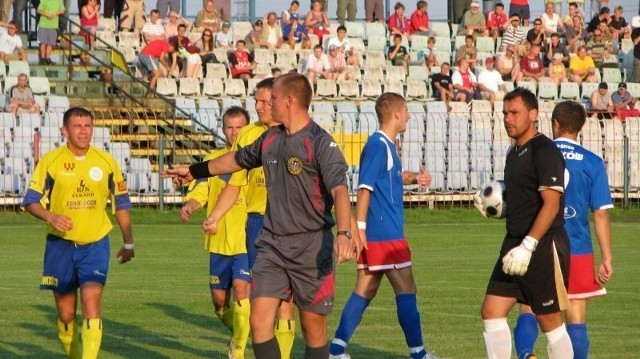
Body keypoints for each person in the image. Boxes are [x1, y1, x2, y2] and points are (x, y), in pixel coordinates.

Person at [162, 73, 355, 359]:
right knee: (258, 321)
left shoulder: (320, 143)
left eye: (272, 98)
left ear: (289, 101)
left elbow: (340, 190)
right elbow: (235, 160)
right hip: (272, 245)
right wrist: (194, 170)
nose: (265, 103)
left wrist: (344, 233)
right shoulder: (270, 139)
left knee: (313, 330)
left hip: (312, 247)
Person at [329, 92, 436, 359]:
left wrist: (414, 178)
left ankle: (336, 349)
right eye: (407, 111)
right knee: (407, 289)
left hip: (379, 233)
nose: (409, 115)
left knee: (366, 289)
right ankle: (419, 353)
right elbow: (364, 189)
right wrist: (360, 230)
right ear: (397, 114)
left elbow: (391, 177)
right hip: (384, 235)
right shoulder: (378, 145)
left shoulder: (387, 146)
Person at [22, 107, 135, 359]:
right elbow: (30, 201)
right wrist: (51, 216)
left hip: (95, 244)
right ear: (65, 130)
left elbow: (122, 203)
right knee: (66, 315)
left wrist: (129, 243)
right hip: (59, 246)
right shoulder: (51, 161)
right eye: (77, 126)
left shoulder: (106, 162)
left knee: (91, 305)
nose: (84, 131)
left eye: (88, 126)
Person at [200, 78, 297, 359]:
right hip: (257, 223)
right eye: (256, 101)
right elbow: (235, 182)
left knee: (285, 301)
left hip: (289, 224)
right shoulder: (248, 135)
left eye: (265, 101)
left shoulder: (297, 133)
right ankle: (243, 348)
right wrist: (215, 214)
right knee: (263, 298)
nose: (259, 106)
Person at [513, 100, 613, 359]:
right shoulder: (592, 162)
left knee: (529, 308)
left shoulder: (535, 152)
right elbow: (600, 214)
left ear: (554, 124)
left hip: (539, 243)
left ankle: (526, 354)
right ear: (580, 127)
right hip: (578, 249)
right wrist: (607, 258)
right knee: (576, 316)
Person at [480, 87, 573, 359]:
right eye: (505, 113)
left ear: (533, 114)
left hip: (542, 246)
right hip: (514, 243)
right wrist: (497, 206)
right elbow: (523, 199)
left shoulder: (544, 150)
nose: (508, 118)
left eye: (515, 113)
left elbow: (552, 204)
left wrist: (528, 246)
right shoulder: (513, 153)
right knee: (491, 311)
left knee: (549, 322)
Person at [180, 106, 251, 359]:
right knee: (220, 305)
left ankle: (238, 350)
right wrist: (191, 205)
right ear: (223, 129)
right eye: (230, 127)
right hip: (218, 241)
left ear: (248, 129)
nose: (234, 133)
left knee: (243, 292)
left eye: (239, 127)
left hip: (246, 241)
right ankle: (241, 333)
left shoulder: (256, 160)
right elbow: (200, 191)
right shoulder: (213, 159)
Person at [37, 0, 65, 65]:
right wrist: (47, 14)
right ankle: (43, 58)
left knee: (50, 43)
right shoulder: (44, 0)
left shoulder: (58, 1)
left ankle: (47, 58)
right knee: (43, 43)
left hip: (53, 25)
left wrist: (55, 14)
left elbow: (62, 10)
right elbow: (39, 10)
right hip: (43, 25)